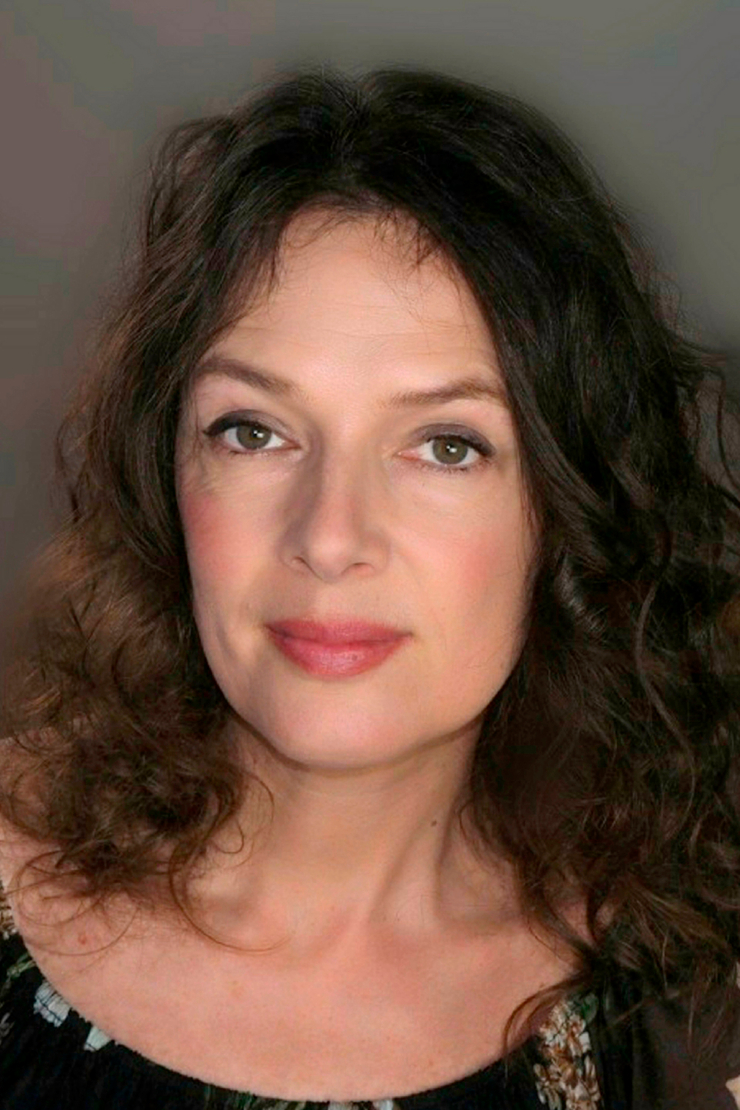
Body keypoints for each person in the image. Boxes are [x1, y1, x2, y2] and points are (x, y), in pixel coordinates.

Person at [1, 65, 739, 1109]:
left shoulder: (685, 1026)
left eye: (446, 445)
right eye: (253, 431)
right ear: (166, 474)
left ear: (566, 510)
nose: (330, 537)